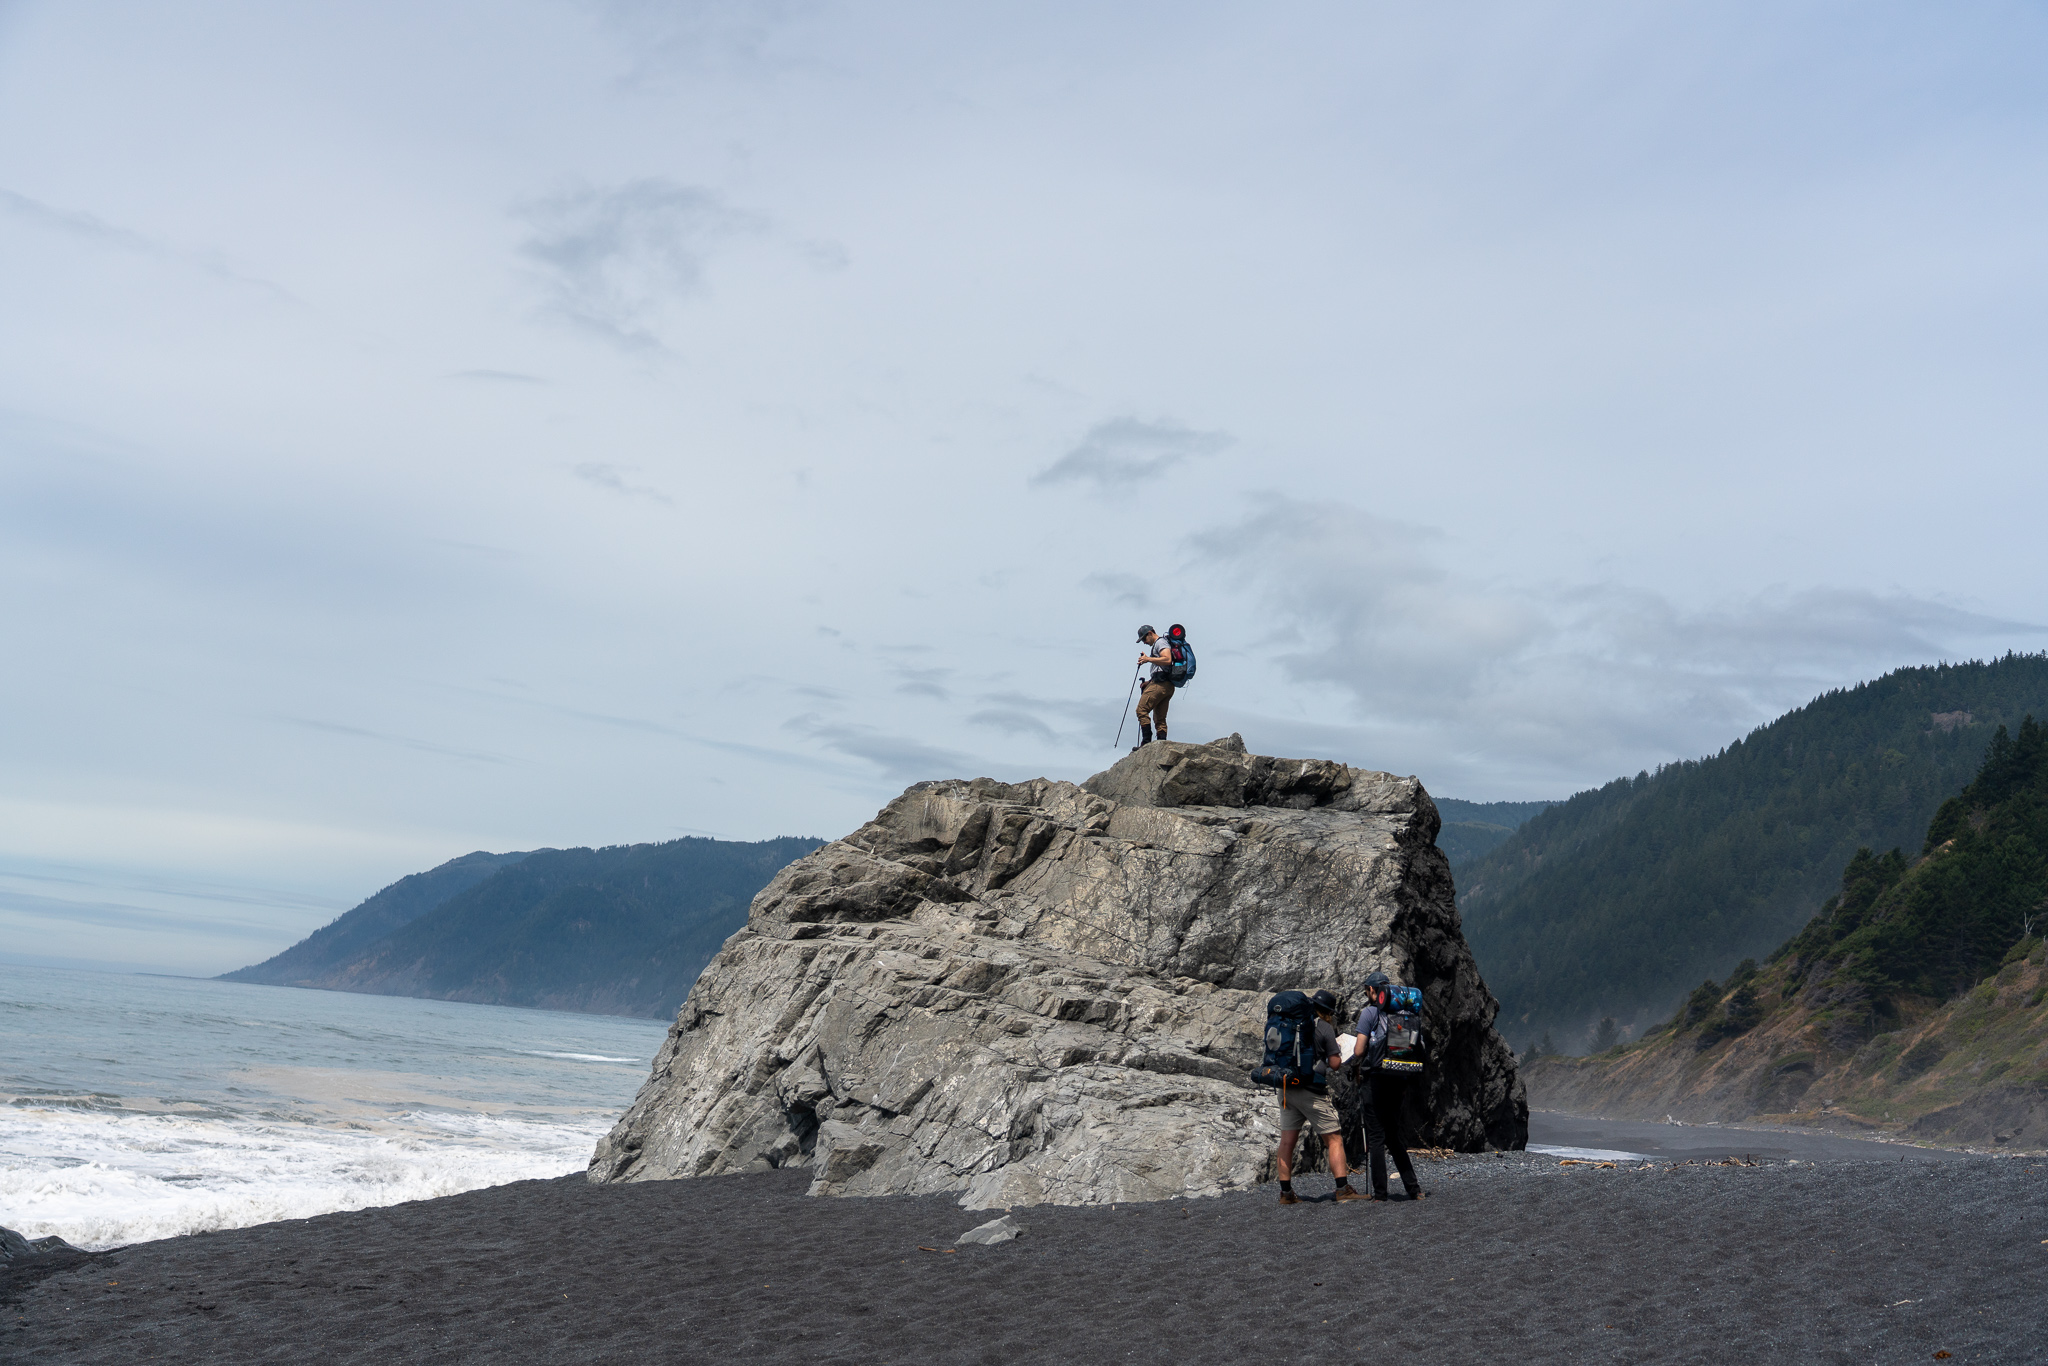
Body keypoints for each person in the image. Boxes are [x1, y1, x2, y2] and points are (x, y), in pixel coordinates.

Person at [1274, 989, 1366, 1204]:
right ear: (1327, 1012)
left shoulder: (1287, 1023)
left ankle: (1286, 1194)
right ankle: (1343, 1190)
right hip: (1311, 1092)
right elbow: (1334, 1064)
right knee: (1333, 1139)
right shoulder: (1323, 1027)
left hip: (1286, 1089)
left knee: (1287, 1142)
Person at [1353, 971, 1427, 1201]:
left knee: (1376, 1137)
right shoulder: (1407, 1014)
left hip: (1375, 1080)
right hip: (1399, 1079)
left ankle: (1380, 1193)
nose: (1367, 995)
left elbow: (1358, 1051)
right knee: (1394, 1136)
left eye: (1367, 990)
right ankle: (1414, 1189)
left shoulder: (1370, 1013)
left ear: (1373, 990)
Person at [1132, 625, 1174, 749]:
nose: (1144, 642)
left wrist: (1147, 659)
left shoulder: (1160, 642)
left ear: (1150, 633)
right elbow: (1163, 668)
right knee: (1160, 718)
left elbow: (1167, 659)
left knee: (1141, 710)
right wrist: (1149, 682)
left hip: (1160, 685)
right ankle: (1161, 746)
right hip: (1168, 686)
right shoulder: (1162, 643)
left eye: (1144, 639)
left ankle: (1146, 743)